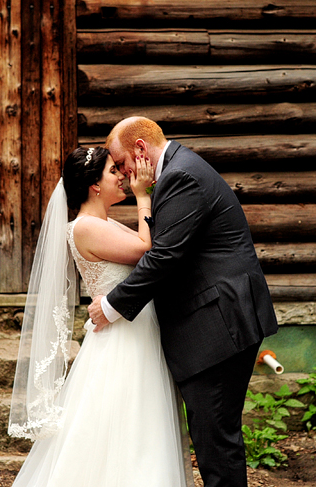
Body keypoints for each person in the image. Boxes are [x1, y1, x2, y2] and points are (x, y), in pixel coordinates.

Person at [89, 117, 279, 487]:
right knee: (213, 439)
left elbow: (164, 257)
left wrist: (111, 306)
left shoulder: (181, 177)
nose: (125, 175)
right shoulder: (179, 170)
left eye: (123, 163)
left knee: (216, 444)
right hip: (214, 323)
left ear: (141, 149)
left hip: (218, 325)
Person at [8, 146, 191, 487]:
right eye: (113, 172)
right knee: (121, 423)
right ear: (94, 185)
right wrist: (143, 196)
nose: (121, 176)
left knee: (141, 423)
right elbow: (145, 250)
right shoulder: (84, 227)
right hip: (122, 341)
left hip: (137, 332)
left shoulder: (106, 224)